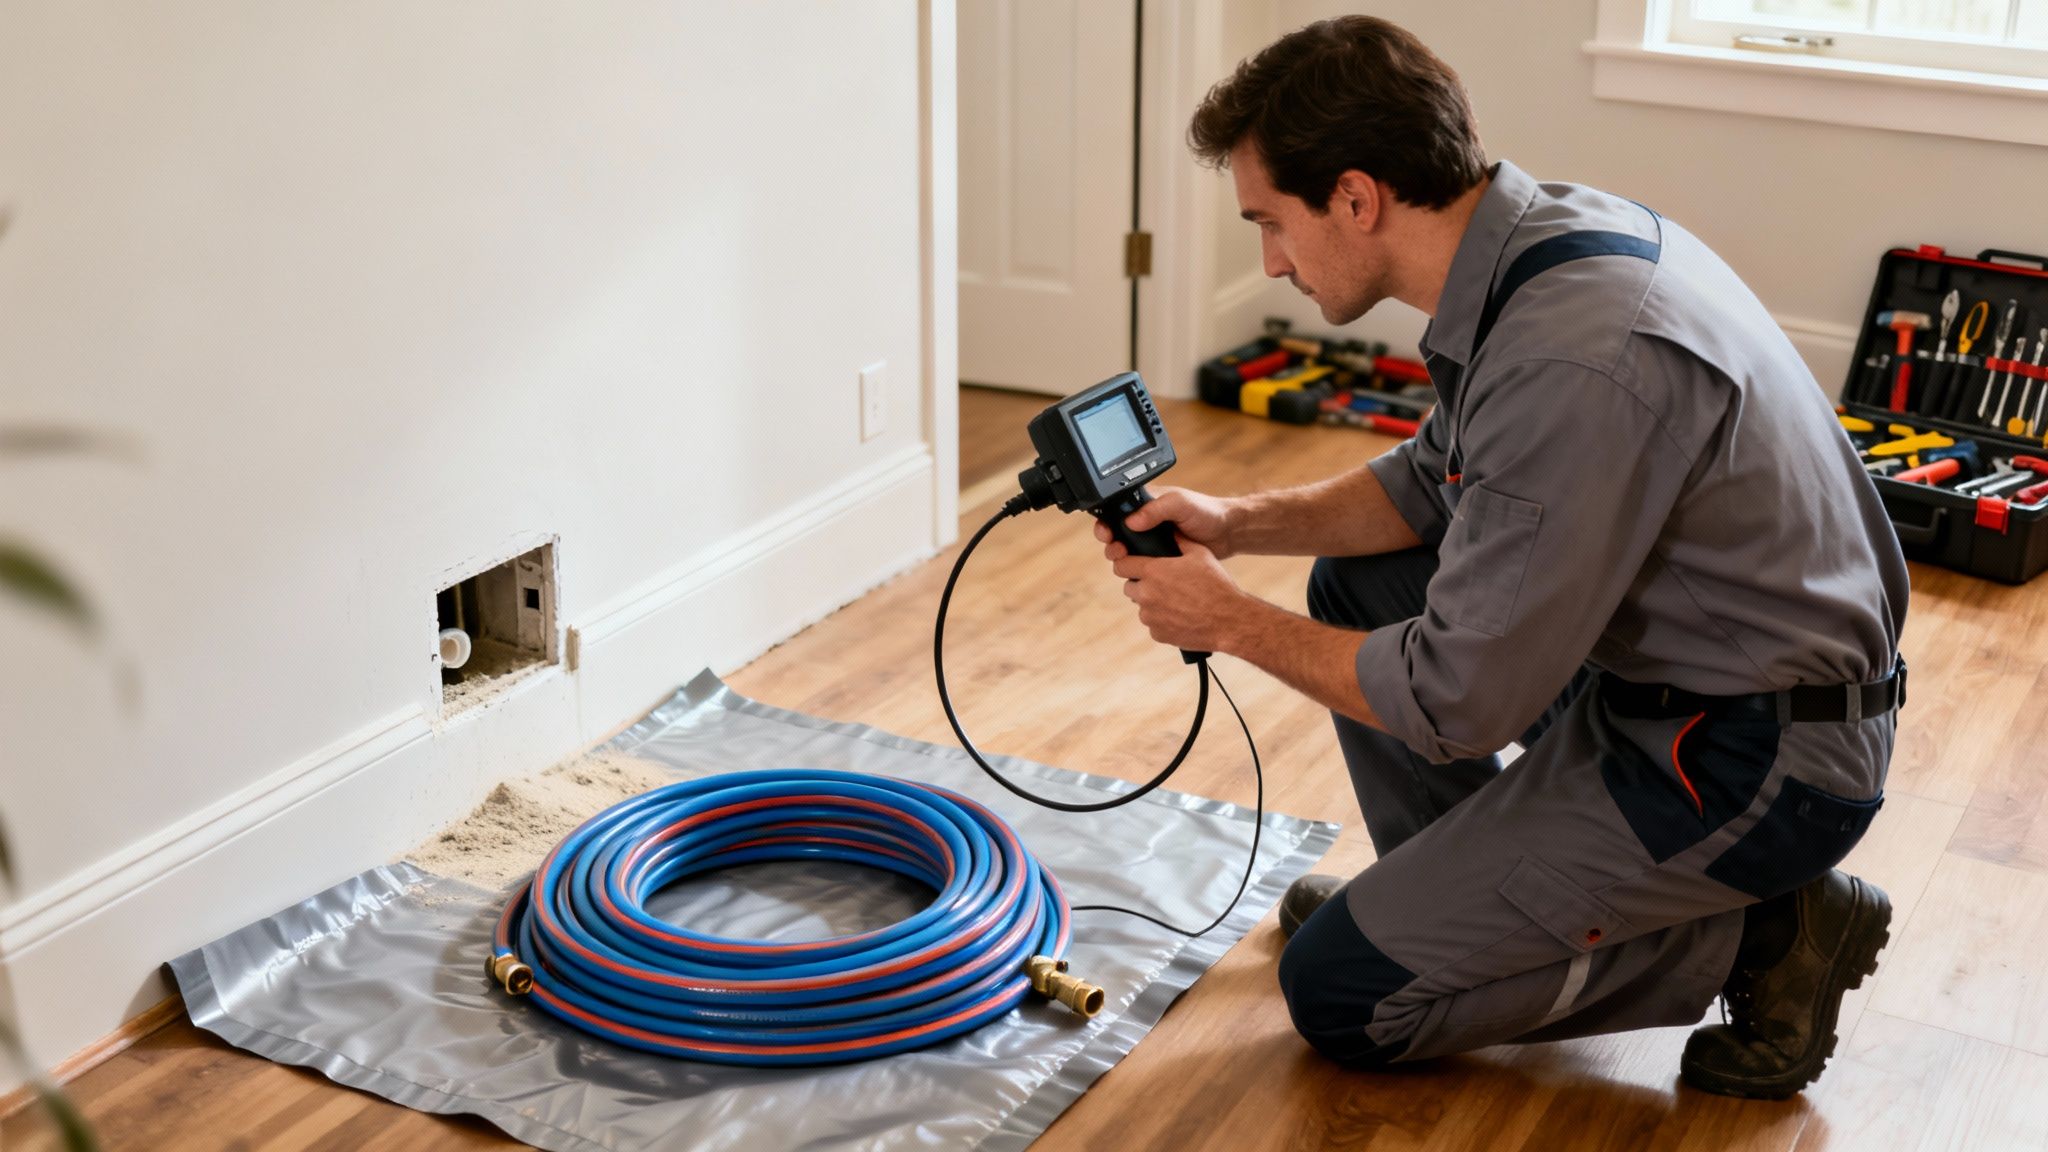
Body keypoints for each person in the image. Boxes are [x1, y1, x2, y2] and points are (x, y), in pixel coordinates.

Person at [1093, 16, 1907, 1099]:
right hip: (1685, 676)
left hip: (1751, 761)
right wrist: (1235, 522)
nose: (1270, 262)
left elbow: (1456, 701)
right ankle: (1452, 904)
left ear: (1353, 196)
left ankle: (1766, 936)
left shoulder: (1572, 352)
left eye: (1270, 223)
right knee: (1359, 587)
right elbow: (1430, 484)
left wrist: (1228, 622)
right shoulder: (1536, 246)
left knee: (1342, 994)